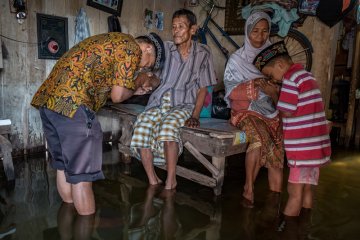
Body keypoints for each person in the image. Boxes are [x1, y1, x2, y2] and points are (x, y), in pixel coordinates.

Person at [31, 32, 165, 215]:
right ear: (148, 48)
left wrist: (134, 88)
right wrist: (137, 87)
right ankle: (84, 224)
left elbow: (109, 90)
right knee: (82, 177)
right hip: (73, 105)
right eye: (148, 64)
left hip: (49, 102)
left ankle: (71, 220)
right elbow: (118, 96)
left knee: (63, 166)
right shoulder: (131, 48)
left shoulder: (112, 40)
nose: (142, 68)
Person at [130, 8, 217, 190]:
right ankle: (152, 179)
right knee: (142, 124)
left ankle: (171, 180)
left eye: (181, 26)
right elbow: (154, 77)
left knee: (169, 127)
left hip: (184, 103)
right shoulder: (165, 49)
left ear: (193, 30)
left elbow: (203, 89)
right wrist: (147, 83)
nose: (176, 31)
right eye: (174, 27)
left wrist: (195, 115)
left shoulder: (203, 54)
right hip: (159, 100)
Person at [253, 41, 331, 225]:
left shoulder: (290, 79)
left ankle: (288, 230)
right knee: (307, 190)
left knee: (294, 192)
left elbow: (285, 111)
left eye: (271, 75)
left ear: (280, 65)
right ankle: (304, 225)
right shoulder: (307, 76)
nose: (273, 80)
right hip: (316, 148)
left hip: (302, 148)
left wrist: (273, 93)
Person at [223, 11, 284, 207]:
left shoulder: (276, 57)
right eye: (255, 31)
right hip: (245, 110)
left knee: (277, 146)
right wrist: (255, 85)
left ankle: (275, 197)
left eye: (265, 31)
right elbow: (231, 91)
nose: (260, 36)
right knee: (258, 137)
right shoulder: (236, 60)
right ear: (247, 31)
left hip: (271, 111)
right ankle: (248, 188)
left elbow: (286, 90)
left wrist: (273, 91)